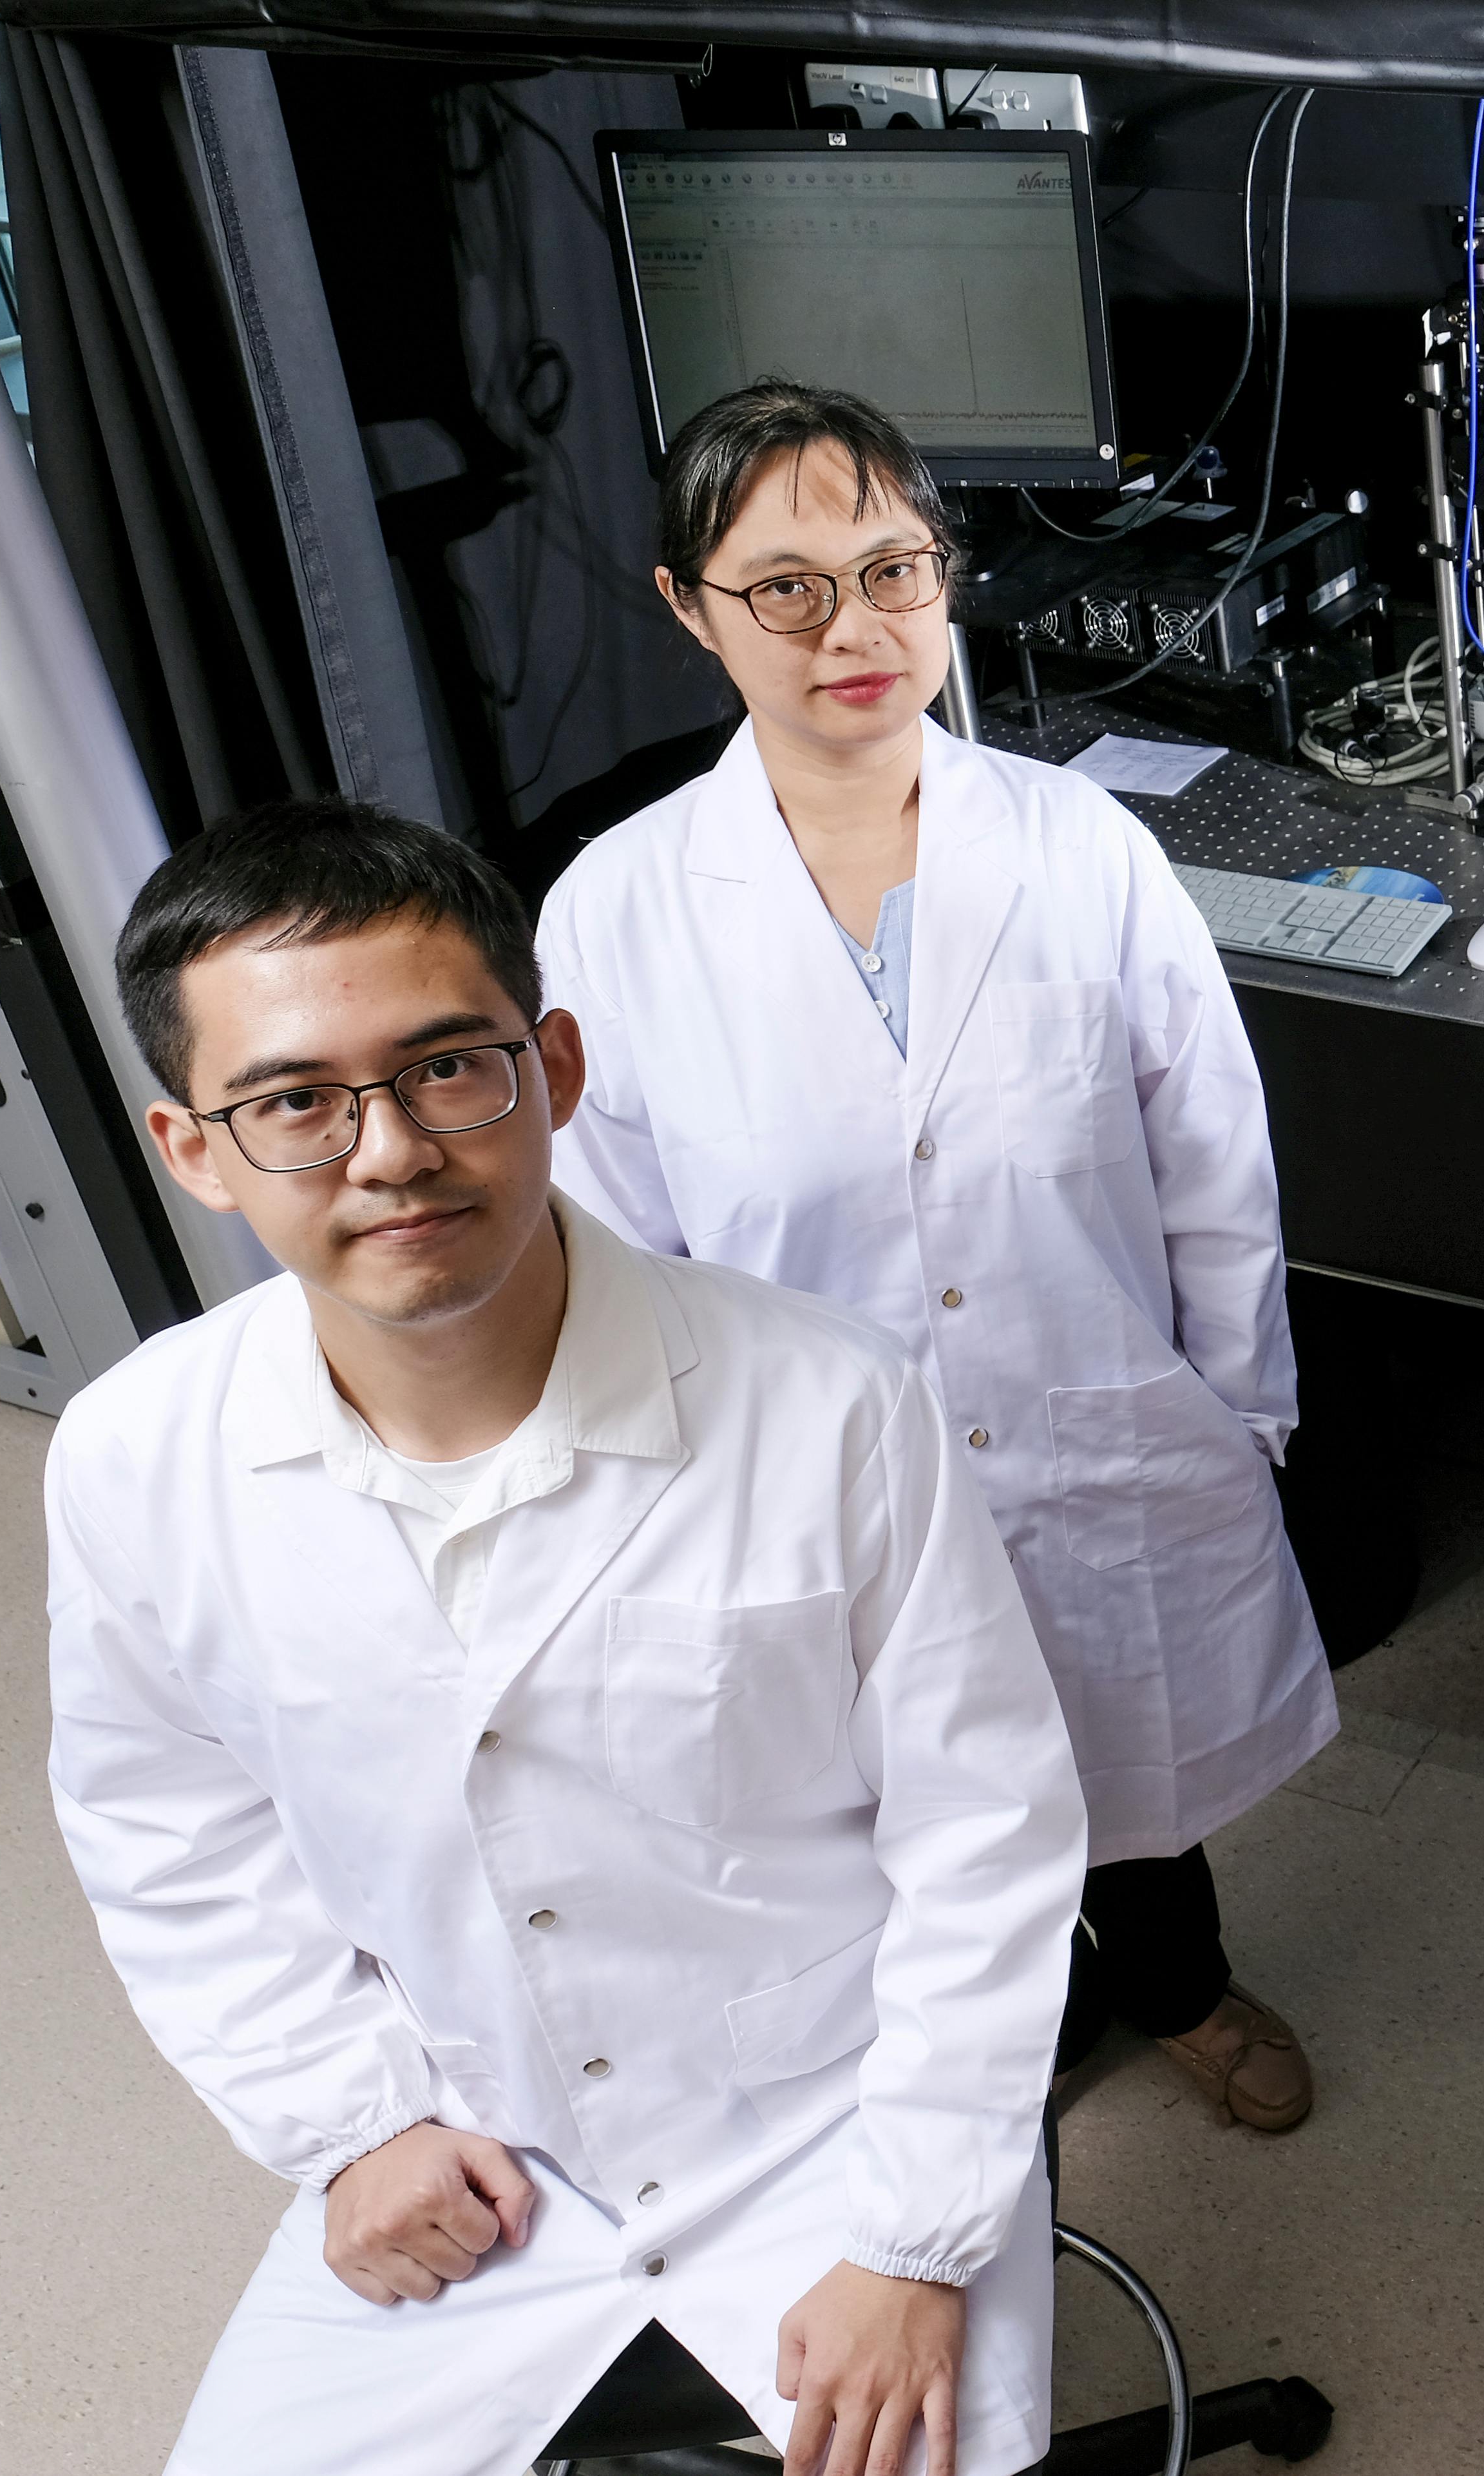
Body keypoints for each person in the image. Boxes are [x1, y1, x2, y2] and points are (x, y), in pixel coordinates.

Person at [48, 803, 1089, 2475]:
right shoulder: (133, 1456)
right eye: (297, 1102)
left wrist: (914, 2234)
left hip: (823, 2135)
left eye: (448, 1067)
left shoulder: (830, 1401)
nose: (388, 1149)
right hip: (473, 2153)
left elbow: (988, 1839)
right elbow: (172, 1838)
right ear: (195, 1148)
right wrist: (352, 2124)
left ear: (557, 1068)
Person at [535, 382, 1331, 2133]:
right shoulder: (619, 904)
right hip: (815, 1490)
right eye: (787, 586)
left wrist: (1232, 1415)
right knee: (912, 1815)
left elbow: (1214, 1158)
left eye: (893, 567)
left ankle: (1179, 1987)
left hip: (1096, 1430)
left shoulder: (1078, 851)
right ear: (689, 606)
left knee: (1131, 1771)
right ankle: (1015, 2045)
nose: (855, 628)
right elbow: (613, 1243)